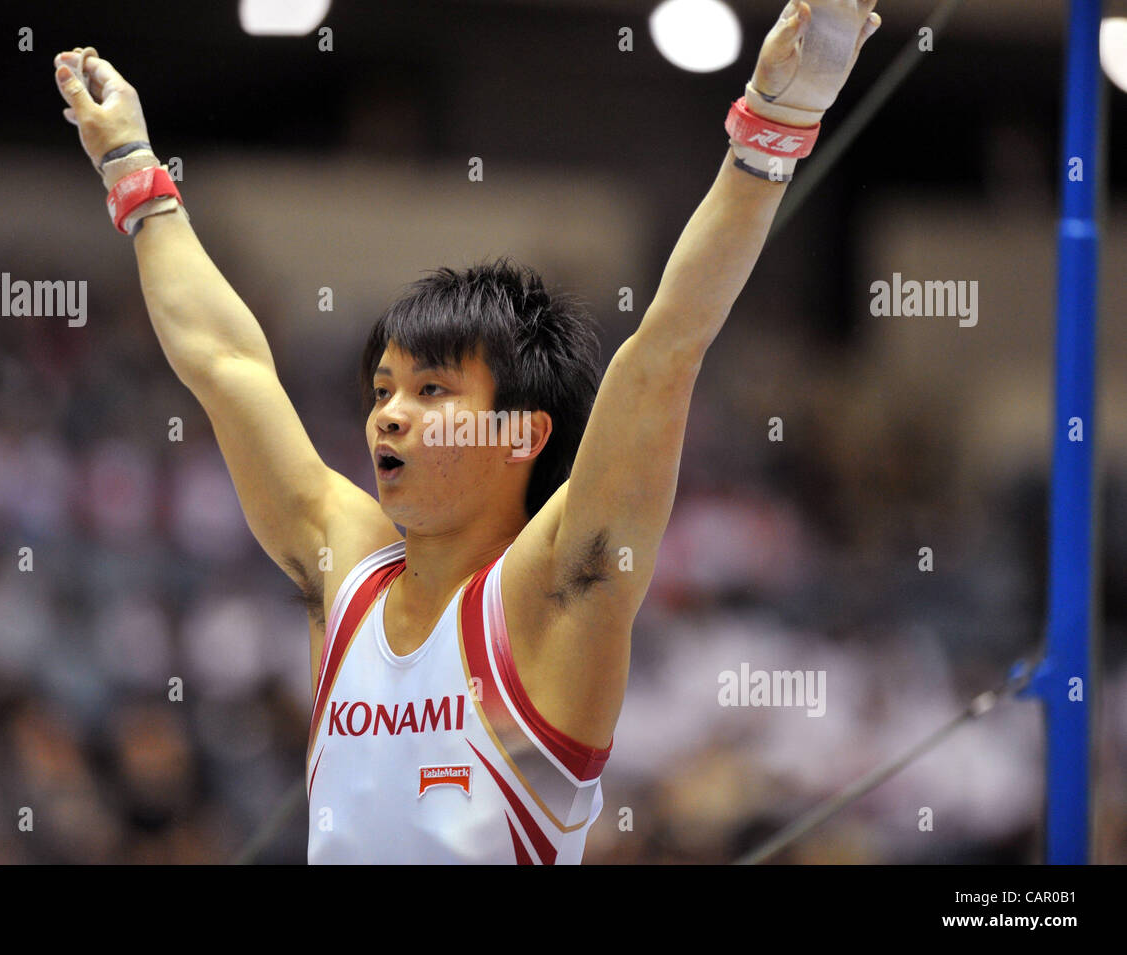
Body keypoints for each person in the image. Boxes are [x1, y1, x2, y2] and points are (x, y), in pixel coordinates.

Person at [51, 0, 881, 864]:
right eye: (383, 389)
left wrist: (778, 120)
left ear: (522, 433)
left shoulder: (558, 590)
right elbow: (228, 365)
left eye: (432, 389)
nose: (390, 412)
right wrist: (134, 171)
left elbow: (665, 351)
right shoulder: (346, 568)